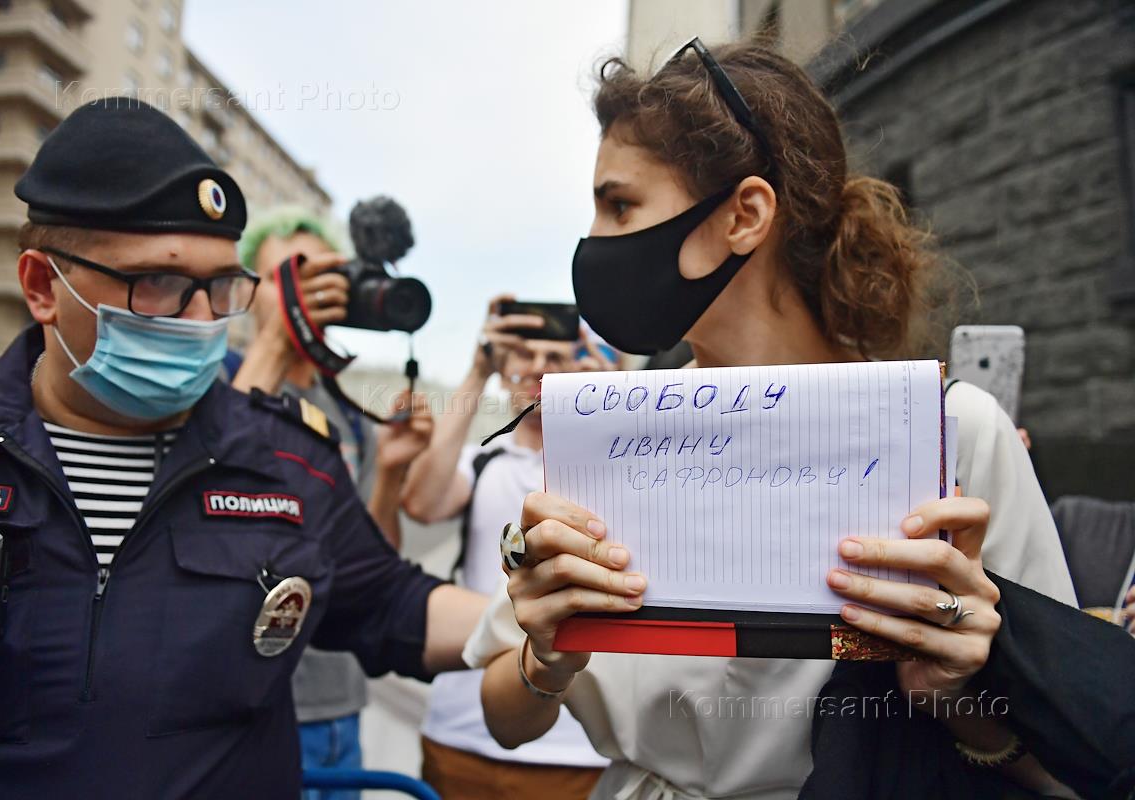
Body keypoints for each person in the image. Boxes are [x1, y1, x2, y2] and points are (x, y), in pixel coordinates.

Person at [464, 41, 1078, 799]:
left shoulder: (952, 433)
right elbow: (504, 717)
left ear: (745, 215)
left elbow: (1070, 760)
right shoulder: (610, 430)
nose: (593, 240)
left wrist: (959, 696)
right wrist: (546, 656)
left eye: (619, 205)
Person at [0, 99, 484, 799]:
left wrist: (530, 619)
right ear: (43, 286)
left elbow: (393, 604)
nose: (201, 321)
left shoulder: (287, 457)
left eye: (222, 287)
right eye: (159, 284)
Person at [233, 206, 436, 800]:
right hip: (250, 701)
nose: (310, 293)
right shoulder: (224, 388)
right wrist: (273, 345)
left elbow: (375, 564)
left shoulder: (348, 415)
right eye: (289, 277)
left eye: (325, 277)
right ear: (246, 293)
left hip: (340, 700)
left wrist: (390, 474)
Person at [402, 297, 614, 800]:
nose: (539, 367)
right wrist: (477, 371)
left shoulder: (609, 468)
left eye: (555, 357)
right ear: (503, 371)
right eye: (524, 355)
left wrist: (616, 398)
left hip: (577, 746)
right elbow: (422, 503)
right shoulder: (483, 462)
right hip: (461, 732)